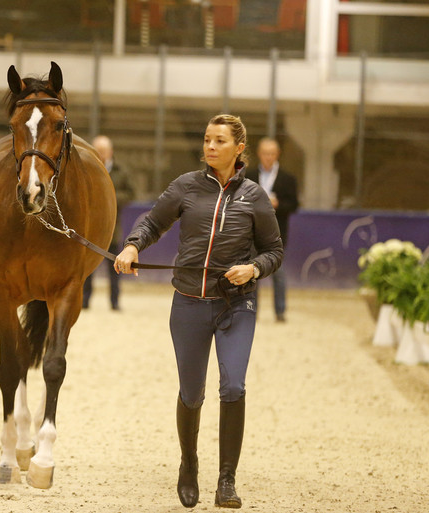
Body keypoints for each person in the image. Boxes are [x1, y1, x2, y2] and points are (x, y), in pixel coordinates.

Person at [114, 114, 283, 509]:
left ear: (239, 148)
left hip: (235, 305)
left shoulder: (254, 196)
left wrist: (254, 268)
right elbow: (153, 222)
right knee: (191, 394)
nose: (210, 146)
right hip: (189, 303)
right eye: (207, 139)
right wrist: (133, 246)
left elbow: (274, 251)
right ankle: (188, 464)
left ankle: (227, 480)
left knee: (234, 386)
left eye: (219, 141)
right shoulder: (186, 186)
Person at [249, 138, 299, 322]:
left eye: (272, 153)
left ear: (277, 155)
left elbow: (294, 205)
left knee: (278, 273)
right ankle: (251, 310)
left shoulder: (288, 179)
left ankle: (280, 311)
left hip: (277, 233)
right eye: (265, 153)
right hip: (251, 232)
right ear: (259, 154)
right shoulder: (249, 176)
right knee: (251, 272)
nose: (268, 157)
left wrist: (277, 205)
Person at [82, 135, 135, 311]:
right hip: (89, 229)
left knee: (115, 267)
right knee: (87, 268)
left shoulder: (121, 171)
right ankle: (85, 301)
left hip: (112, 228)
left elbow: (131, 193)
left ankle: (114, 302)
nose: (100, 155)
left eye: (103, 151)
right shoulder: (86, 169)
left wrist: (109, 198)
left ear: (110, 152)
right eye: (96, 151)